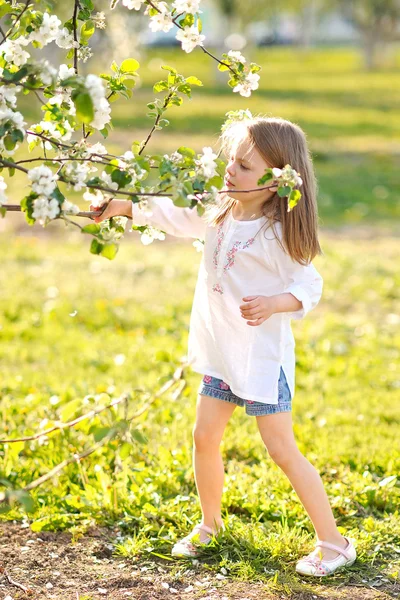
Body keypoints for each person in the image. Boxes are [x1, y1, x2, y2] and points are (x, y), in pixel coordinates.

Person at [90, 116, 357, 577]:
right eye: (231, 160)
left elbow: (309, 285)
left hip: (258, 361)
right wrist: (120, 207)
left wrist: (275, 302)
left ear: (276, 182)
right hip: (222, 356)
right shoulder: (220, 209)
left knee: (281, 450)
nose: (231, 170)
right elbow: (171, 216)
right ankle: (209, 525)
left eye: (245, 166)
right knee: (204, 437)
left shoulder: (277, 234)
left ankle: (334, 543)